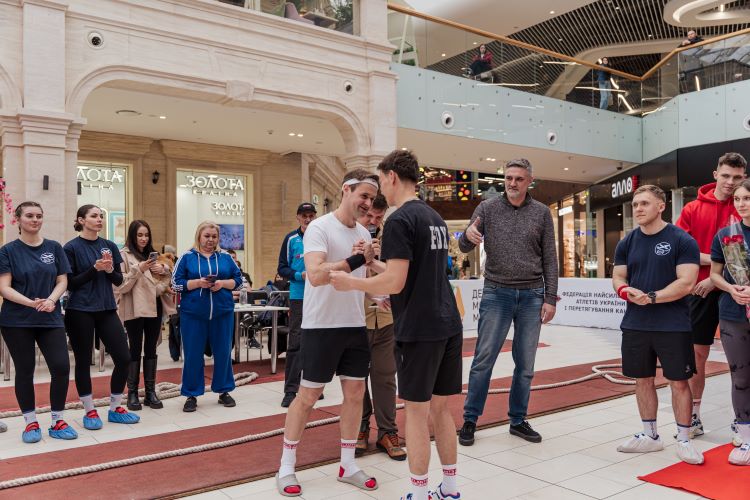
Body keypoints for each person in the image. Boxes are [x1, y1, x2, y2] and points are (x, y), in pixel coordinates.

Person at [330, 150, 463, 500]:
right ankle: (450, 489)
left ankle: (418, 493)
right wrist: (372, 263)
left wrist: (352, 282)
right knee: (441, 409)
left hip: (420, 328)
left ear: (391, 176)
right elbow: (411, 273)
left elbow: (396, 282)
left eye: (380, 181)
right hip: (448, 322)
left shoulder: (399, 219)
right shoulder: (433, 217)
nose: (379, 192)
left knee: (416, 414)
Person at [275, 169, 379, 497]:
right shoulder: (319, 227)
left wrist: (378, 287)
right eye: (364, 196)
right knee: (307, 397)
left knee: (355, 395)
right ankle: (286, 466)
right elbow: (317, 275)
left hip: (354, 324)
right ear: (346, 190)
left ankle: (347, 464)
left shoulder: (363, 232)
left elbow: (361, 279)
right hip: (320, 326)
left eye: (372, 198)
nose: (368, 203)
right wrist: (356, 258)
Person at [458, 158, 558, 447]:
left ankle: (517, 420)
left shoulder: (541, 213)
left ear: (529, 182)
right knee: (483, 360)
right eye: (509, 178)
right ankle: (470, 419)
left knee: (525, 364)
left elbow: (550, 258)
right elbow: (464, 246)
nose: (512, 183)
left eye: (519, 179)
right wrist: (467, 236)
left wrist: (550, 297)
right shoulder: (487, 208)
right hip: (496, 293)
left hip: (532, 295)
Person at [612, 185, 704, 464]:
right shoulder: (627, 242)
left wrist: (651, 298)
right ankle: (650, 436)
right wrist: (625, 290)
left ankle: (684, 440)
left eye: (644, 203)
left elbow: (686, 282)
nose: (638, 209)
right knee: (642, 379)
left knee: (679, 382)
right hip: (635, 323)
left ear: (661, 206)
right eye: (635, 204)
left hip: (673, 324)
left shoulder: (682, 240)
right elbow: (618, 276)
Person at [675, 152, 747, 439]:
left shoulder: (744, 207)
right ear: (716, 174)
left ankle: (742, 419)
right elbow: (681, 250)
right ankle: (693, 416)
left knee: (742, 360)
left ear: (744, 178)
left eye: (737, 177)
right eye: (726, 175)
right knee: (698, 355)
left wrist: (715, 279)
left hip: (737, 293)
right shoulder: (692, 209)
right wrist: (711, 263)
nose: (730, 182)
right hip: (699, 291)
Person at [0, 202, 76, 443]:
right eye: (30, 215)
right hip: (17, 320)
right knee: (25, 370)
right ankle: (30, 422)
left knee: (61, 367)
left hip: (50, 317)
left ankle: (57, 420)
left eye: (39, 216)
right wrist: (32, 303)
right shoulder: (8, 251)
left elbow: (62, 280)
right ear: (18, 219)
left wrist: (51, 300)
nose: (35, 220)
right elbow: (4, 287)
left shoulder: (54, 248)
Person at [64, 204, 139, 429]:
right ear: (81, 220)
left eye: (101, 216)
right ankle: (89, 411)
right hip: (80, 310)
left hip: (106, 308)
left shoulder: (109, 246)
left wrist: (108, 271)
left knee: (124, 358)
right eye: (94, 216)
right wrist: (93, 269)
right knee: (83, 361)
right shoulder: (71, 247)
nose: (99, 219)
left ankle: (115, 407)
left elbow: (118, 280)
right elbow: (70, 283)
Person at [354, 194, 407, 461]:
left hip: (387, 318)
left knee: (385, 376)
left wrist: (377, 257)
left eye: (378, 217)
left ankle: (388, 431)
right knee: (356, 378)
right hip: (356, 318)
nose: (373, 221)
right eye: (368, 216)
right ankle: (360, 427)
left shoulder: (392, 236)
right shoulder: (347, 235)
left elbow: (399, 275)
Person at [172, 221, 243, 413]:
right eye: (207, 236)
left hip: (222, 313)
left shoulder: (226, 257)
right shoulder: (186, 257)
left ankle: (224, 391)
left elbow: (239, 281)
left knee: (223, 353)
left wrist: (222, 284)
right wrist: (197, 283)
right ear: (199, 236)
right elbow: (175, 284)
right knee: (193, 355)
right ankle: (191, 394)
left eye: (214, 236)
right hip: (193, 315)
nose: (210, 240)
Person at [709, 179, 750, 465]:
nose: (741, 203)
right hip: (734, 315)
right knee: (741, 378)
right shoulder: (726, 235)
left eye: (747, 198)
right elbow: (715, 274)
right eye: (737, 199)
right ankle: (746, 437)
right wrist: (731, 288)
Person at [116, 220, 176, 411]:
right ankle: (132, 393)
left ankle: (150, 392)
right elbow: (121, 285)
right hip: (134, 306)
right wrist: (139, 269)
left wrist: (164, 270)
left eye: (146, 235)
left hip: (154, 305)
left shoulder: (155, 255)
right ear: (132, 236)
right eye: (140, 235)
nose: (143, 239)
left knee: (151, 348)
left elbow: (166, 280)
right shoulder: (123, 254)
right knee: (134, 348)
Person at [277, 202, 317, 408]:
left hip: (319, 295)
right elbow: (282, 268)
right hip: (299, 296)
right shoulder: (291, 239)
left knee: (316, 342)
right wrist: (298, 275)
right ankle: (290, 390)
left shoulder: (321, 236)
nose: (307, 219)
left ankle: (312, 387)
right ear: (298, 217)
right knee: (296, 342)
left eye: (311, 215)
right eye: (304, 216)